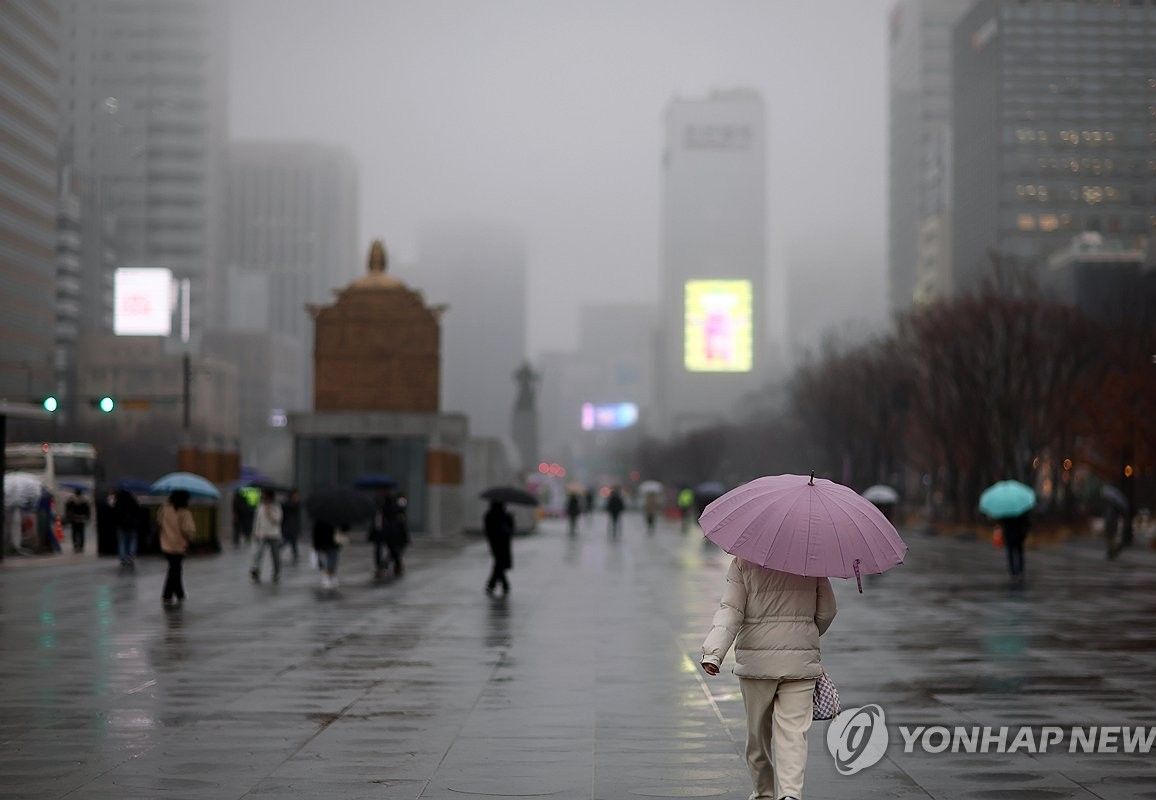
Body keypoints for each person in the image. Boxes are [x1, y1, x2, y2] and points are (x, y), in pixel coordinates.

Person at [701, 558, 837, 800]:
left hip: (757, 664)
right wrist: (805, 632)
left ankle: (764, 793)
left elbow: (731, 610)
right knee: (794, 733)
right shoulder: (812, 562)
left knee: (757, 736)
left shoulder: (744, 563)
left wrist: (714, 653)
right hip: (800, 663)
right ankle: (791, 794)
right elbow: (827, 612)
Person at [159, 490, 196, 606]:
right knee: (175, 570)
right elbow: (188, 529)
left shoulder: (164, 509)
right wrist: (191, 538)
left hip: (166, 543)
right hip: (180, 545)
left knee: (174, 569)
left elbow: (158, 521)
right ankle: (169, 594)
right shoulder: (184, 512)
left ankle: (178, 593)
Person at [371, 490, 409, 578]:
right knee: (390, 549)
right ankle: (384, 566)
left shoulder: (393, 502)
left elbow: (399, 512)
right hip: (384, 531)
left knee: (394, 549)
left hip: (391, 531)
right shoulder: (380, 502)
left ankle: (387, 565)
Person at [249, 488, 283, 583]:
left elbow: (278, 520)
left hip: (274, 534)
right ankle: (256, 570)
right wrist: (255, 532)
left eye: (265, 496)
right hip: (262, 534)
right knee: (258, 554)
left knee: (275, 555)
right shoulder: (260, 506)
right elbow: (257, 520)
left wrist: (269, 512)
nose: (263, 498)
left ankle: (276, 572)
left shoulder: (276, 506)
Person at [483, 500, 514, 596]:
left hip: (495, 543)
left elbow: (487, 530)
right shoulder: (502, 515)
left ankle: (497, 585)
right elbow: (511, 529)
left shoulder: (489, 515)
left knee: (499, 563)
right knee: (500, 564)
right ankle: (497, 584)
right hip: (501, 544)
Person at [111, 487, 141, 569]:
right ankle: (131, 556)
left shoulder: (118, 502)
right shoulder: (133, 501)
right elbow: (138, 511)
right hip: (132, 525)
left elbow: (114, 514)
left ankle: (123, 558)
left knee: (122, 542)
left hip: (121, 525)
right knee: (132, 541)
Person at [1000, 511, 1031, 583]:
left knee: (1011, 554)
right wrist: (1025, 532)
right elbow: (1027, 523)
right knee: (1019, 553)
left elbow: (1002, 523)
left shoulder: (1006, 512)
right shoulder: (1022, 512)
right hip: (1019, 535)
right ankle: (1020, 571)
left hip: (1010, 535)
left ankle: (1013, 573)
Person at [312, 518, 342, 589]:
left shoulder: (320, 515)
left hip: (330, 539)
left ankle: (329, 575)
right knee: (331, 558)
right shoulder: (337, 515)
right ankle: (329, 575)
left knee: (331, 558)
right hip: (327, 539)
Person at [65, 488, 91, 554]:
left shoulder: (71, 500)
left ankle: (75, 545)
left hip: (74, 518)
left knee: (74, 532)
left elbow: (67, 509)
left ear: (75, 493)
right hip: (82, 518)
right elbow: (88, 510)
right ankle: (81, 547)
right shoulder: (85, 500)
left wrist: (68, 517)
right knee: (81, 532)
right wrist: (87, 517)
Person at [281, 489, 301, 565]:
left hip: (293, 526)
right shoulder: (288, 504)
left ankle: (295, 554)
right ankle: (295, 553)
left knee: (292, 541)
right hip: (288, 526)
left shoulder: (296, 504)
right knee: (288, 540)